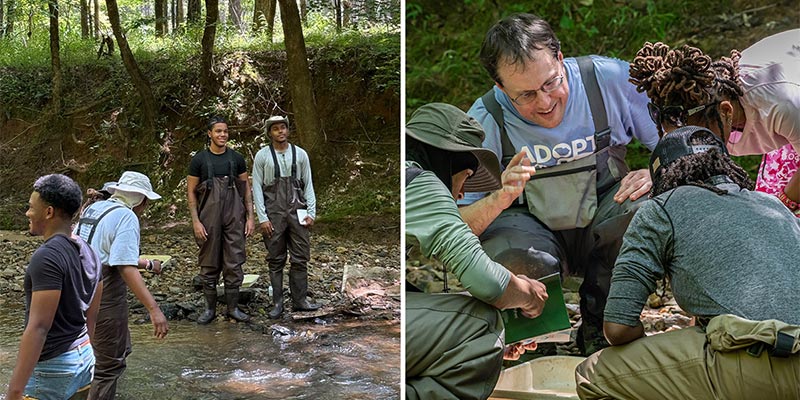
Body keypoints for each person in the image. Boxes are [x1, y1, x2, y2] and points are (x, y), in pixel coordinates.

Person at [463, 13, 659, 354]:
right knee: (510, 254)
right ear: (500, 87)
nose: (545, 102)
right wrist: (500, 197)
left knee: (646, 211)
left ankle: (604, 331)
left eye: (551, 82)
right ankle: (534, 343)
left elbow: (682, 145)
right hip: (529, 227)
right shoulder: (484, 119)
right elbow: (460, 223)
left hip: (605, 210)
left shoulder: (610, 80)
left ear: (560, 59)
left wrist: (658, 170)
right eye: (524, 95)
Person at [574, 125, 800, 399]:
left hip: (762, 361)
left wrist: (647, 350)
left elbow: (617, 328)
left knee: (593, 375)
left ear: (660, 178)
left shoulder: (660, 209)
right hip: (789, 346)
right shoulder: (771, 205)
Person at [405, 103, 547, 400]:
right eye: (467, 178)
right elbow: (488, 283)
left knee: (475, 326)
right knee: (481, 325)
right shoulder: (423, 183)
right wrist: (529, 294)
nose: (460, 194)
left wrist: (484, 350)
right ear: (449, 162)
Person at [628, 32, 800, 217]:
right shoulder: (707, 112)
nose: (690, 153)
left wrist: (783, 206)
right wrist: (663, 173)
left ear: (726, 112)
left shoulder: (781, 105)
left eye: (697, 141)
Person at [6, 175, 103, 400]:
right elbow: (92, 316)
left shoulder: (47, 257)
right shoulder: (90, 251)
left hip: (53, 368)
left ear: (49, 212)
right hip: (84, 358)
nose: (27, 213)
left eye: (31, 207)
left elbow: (39, 327)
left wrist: (14, 392)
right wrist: (86, 356)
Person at [74, 171, 169, 399]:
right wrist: (154, 310)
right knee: (108, 368)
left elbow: (104, 251)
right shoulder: (127, 217)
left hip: (78, 291)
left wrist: (146, 264)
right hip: (105, 295)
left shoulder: (95, 209)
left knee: (95, 353)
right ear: (141, 200)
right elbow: (124, 266)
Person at [187, 116, 255, 324]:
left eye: (225, 131)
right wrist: (196, 222)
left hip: (235, 216)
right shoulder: (199, 160)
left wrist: (251, 217)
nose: (222, 135)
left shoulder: (237, 159)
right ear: (210, 134)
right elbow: (191, 193)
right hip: (208, 217)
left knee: (234, 261)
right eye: (218, 131)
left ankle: (233, 308)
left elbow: (246, 191)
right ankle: (210, 309)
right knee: (209, 262)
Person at [252, 115, 319, 319]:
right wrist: (262, 218)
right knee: (275, 258)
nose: (280, 131)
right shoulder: (262, 156)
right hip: (274, 213)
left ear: (288, 130)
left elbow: (308, 184)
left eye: (283, 128)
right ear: (269, 133)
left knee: (300, 257)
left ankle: (300, 301)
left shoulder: (301, 155)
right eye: (276, 129)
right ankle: (278, 304)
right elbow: (256, 188)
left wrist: (311, 212)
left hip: (298, 211)